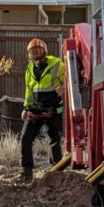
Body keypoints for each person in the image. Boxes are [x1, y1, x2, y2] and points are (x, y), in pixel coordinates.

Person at [20, 38, 64, 180]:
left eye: (38, 51)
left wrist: (64, 88)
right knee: (25, 138)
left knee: (55, 139)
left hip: (54, 109)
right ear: (29, 54)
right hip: (36, 109)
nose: (36, 54)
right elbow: (29, 91)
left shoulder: (57, 63)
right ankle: (27, 172)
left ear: (45, 51)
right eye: (33, 52)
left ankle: (57, 171)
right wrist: (26, 108)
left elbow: (71, 80)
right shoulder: (29, 69)